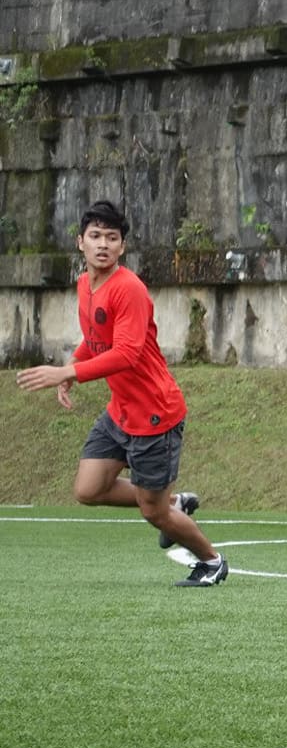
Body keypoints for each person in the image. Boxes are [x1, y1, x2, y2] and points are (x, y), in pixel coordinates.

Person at [14, 201, 223, 587]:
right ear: (81, 243)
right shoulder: (85, 285)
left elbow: (126, 354)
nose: (103, 244)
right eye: (95, 236)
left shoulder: (129, 290)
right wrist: (72, 371)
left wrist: (66, 370)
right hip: (120, 411)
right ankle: (175, 503)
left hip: (154, 415)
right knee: (89, 488)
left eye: (112, 238)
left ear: (122, 247)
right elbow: (97, 341)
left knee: (152, 513)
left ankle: (211, 561)